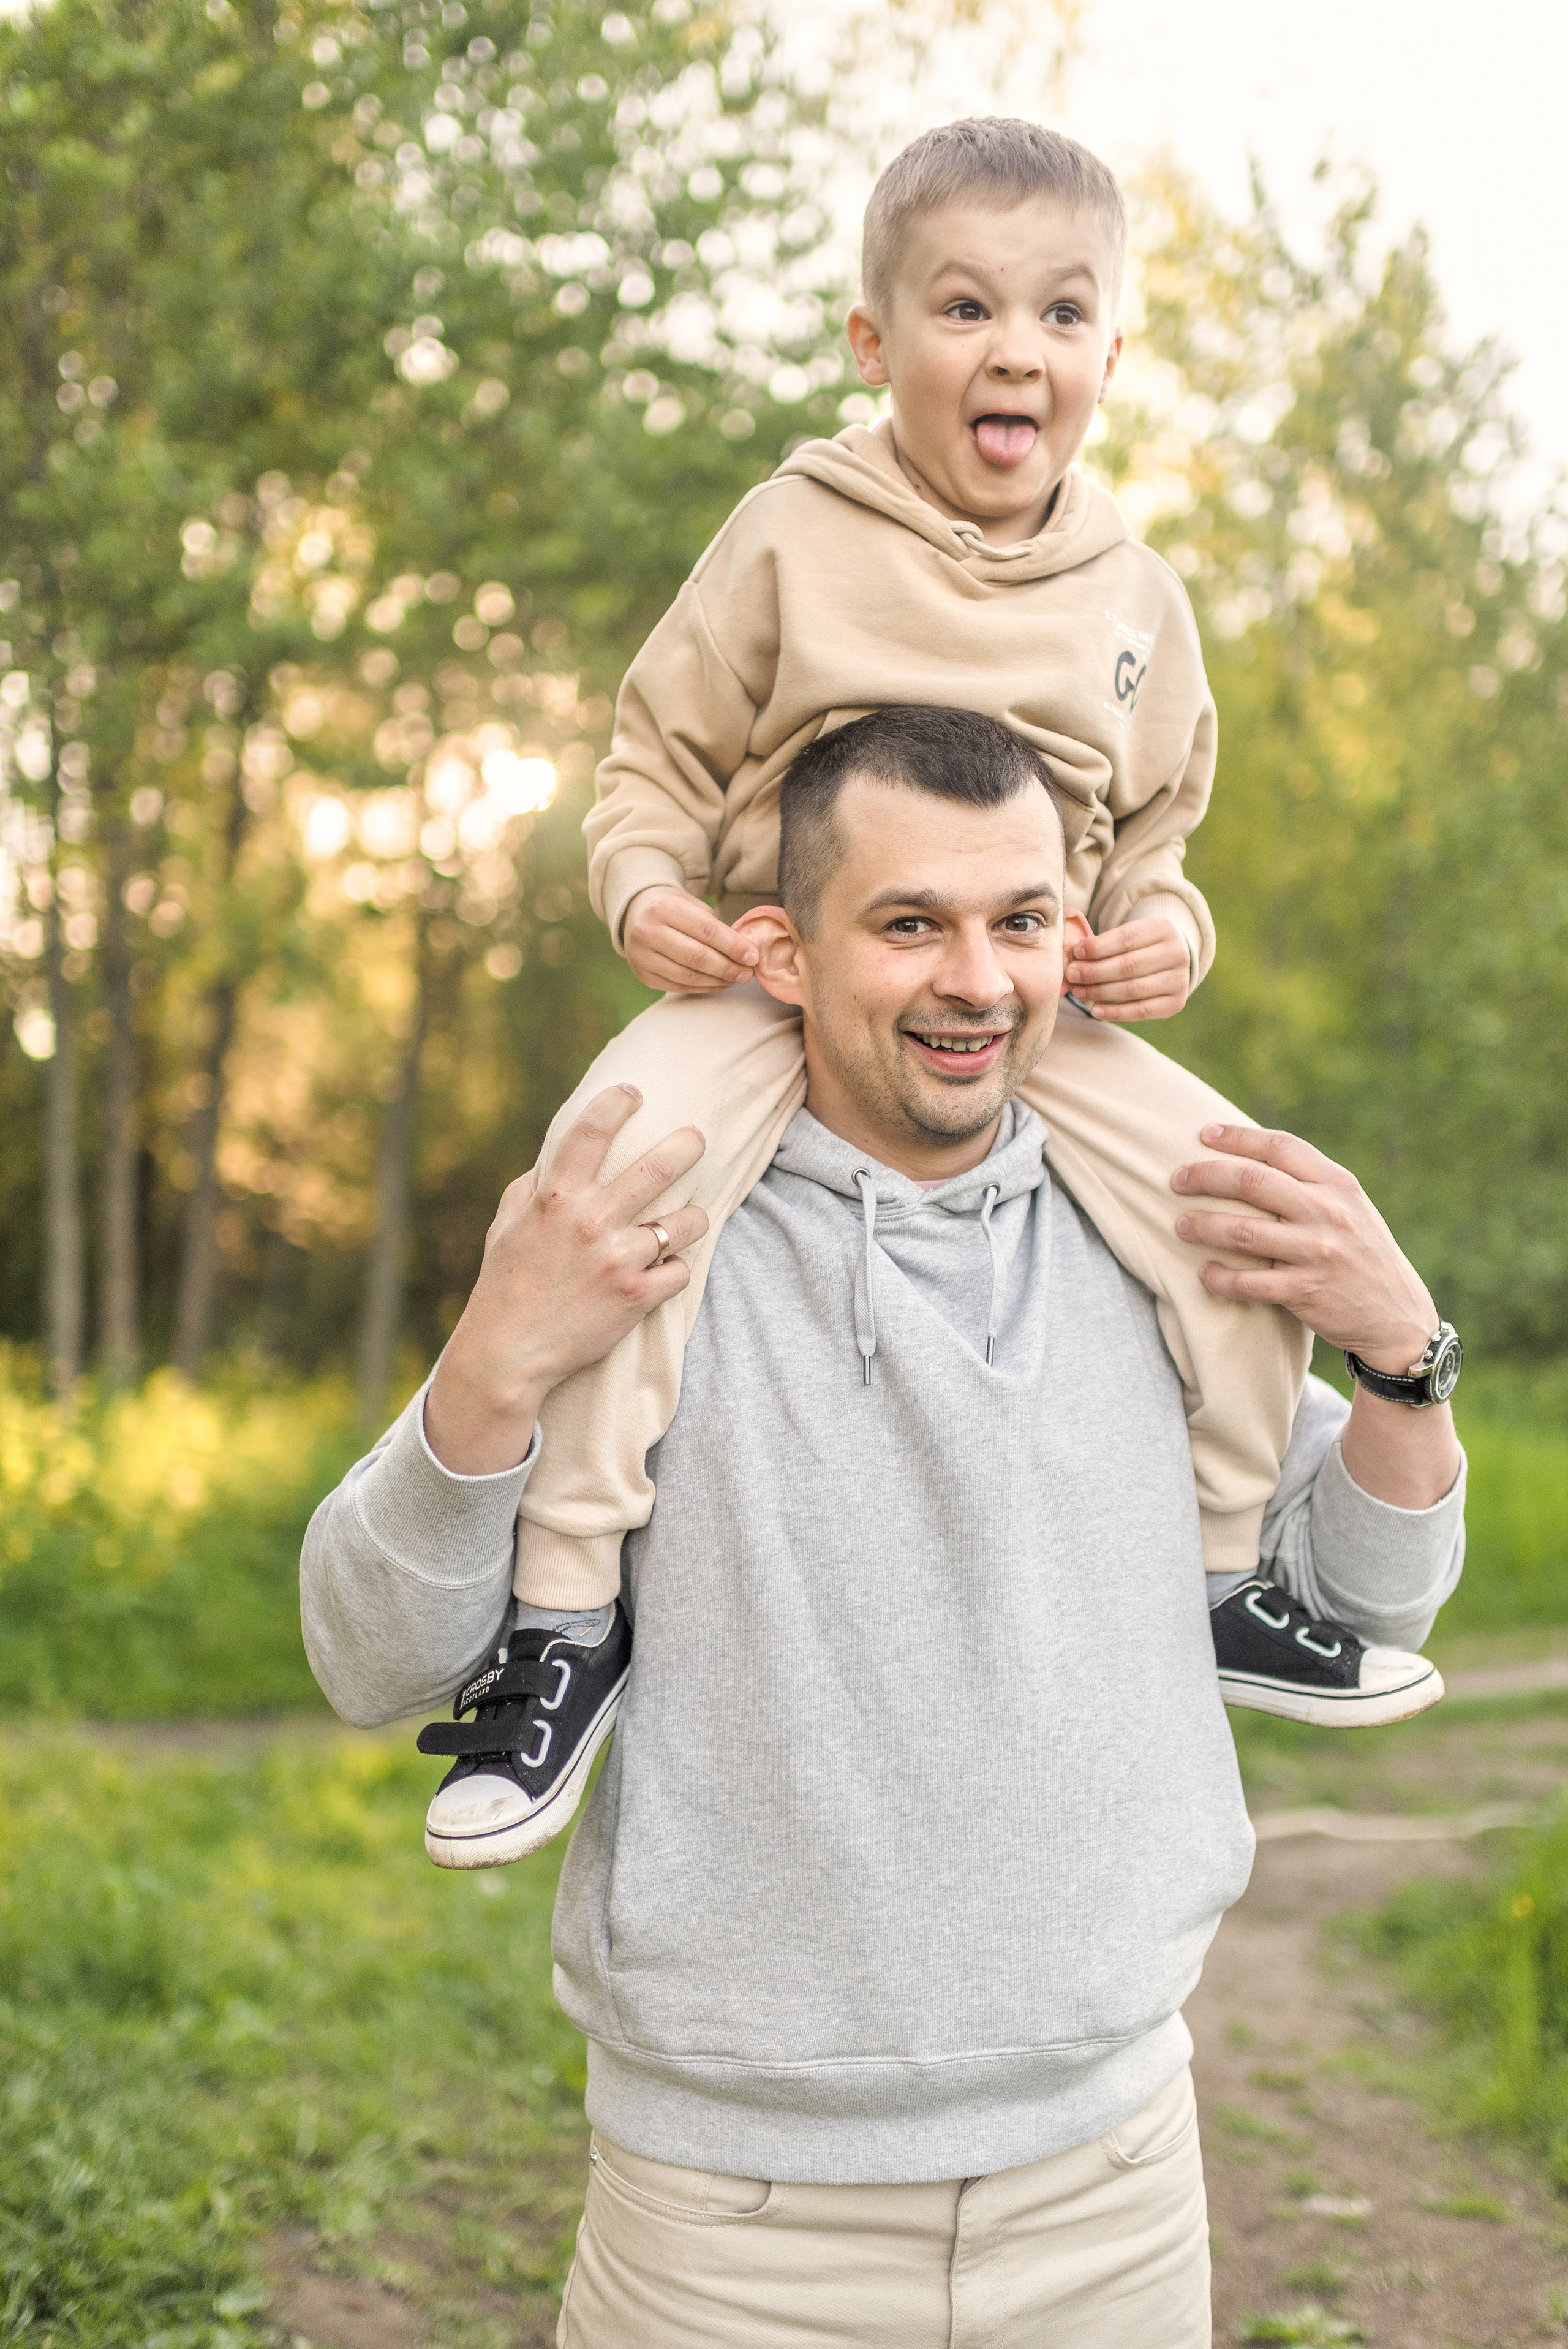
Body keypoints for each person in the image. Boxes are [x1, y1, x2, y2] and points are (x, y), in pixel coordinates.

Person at [303, 711, 1466, 2346]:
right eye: (911, 923)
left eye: (1017, 923)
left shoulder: (1158, 1237)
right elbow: (370, 1657)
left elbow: (1371, 1595)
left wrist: (1406, 1359)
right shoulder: (645, 1244)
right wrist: (493, 1358)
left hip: (1114, 2186)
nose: (976, 982)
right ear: (783, 948)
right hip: (727, 2226)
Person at [413, 118, 1446, 1870]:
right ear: (876, 343)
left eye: (1061, 314)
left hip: (1039, 995)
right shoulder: (793, 535)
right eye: (966, 308)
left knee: (1248, 1200)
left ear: (1112, 353)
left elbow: (1158, 840)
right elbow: (647, 765)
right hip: (777, 971)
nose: (1015, 350)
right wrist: (653, 898)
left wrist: (1165, 934)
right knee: (621, 1190)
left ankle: (1218, 1577)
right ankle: (566, 1622)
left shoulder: (1135, 596)